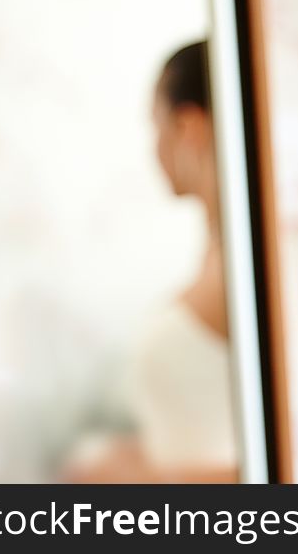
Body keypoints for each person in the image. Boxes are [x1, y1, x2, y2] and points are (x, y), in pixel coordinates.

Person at [63, 41, 241, 483]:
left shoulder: (240, 267)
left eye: (155, 126)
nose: (154, 149)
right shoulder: (217, 250)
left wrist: (144, 480)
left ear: (188, 126)